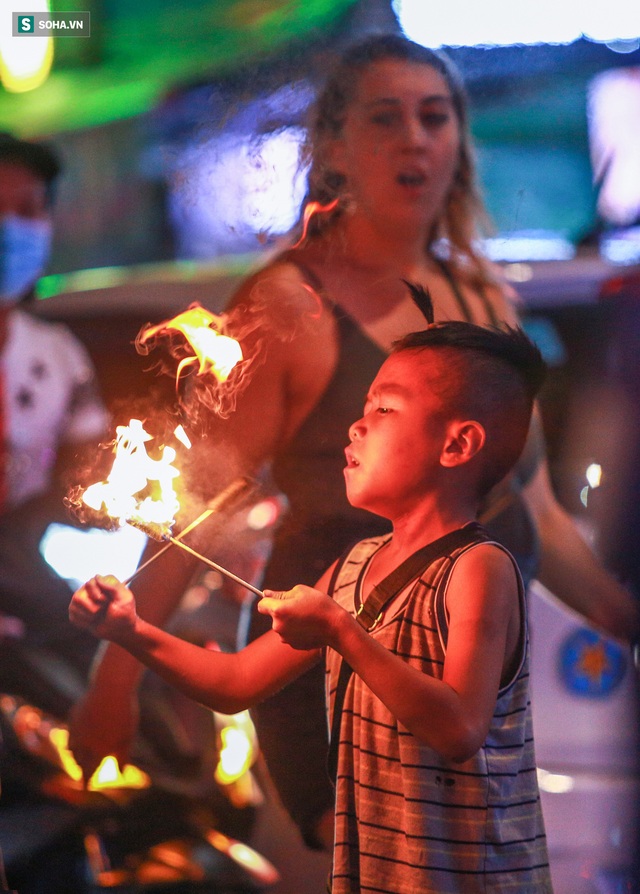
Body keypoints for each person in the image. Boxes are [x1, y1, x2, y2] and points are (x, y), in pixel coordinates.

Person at [67, 33, 640, 852]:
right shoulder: (292, 303)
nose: (415, 137)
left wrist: (627, 618)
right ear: (334, 147)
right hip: (326, 683)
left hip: (464, 689)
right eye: (386, 118)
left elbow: (536, 508)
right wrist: (111, 681)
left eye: (434, 117)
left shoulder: (481, 297)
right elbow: (197, 506)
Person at [69, 315, 554, 893]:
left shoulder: (477, 567)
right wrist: (129, 631)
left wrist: (341, 633)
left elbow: (458, 728)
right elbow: (236, 681)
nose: (356, 426)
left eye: (384, 411)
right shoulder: (353, 567)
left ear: (457, 444)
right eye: (364, 406)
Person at [0, 131, 109, 707]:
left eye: (27, 211)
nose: (8, 230)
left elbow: (91, 477)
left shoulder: (58, 356)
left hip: (34, 606)